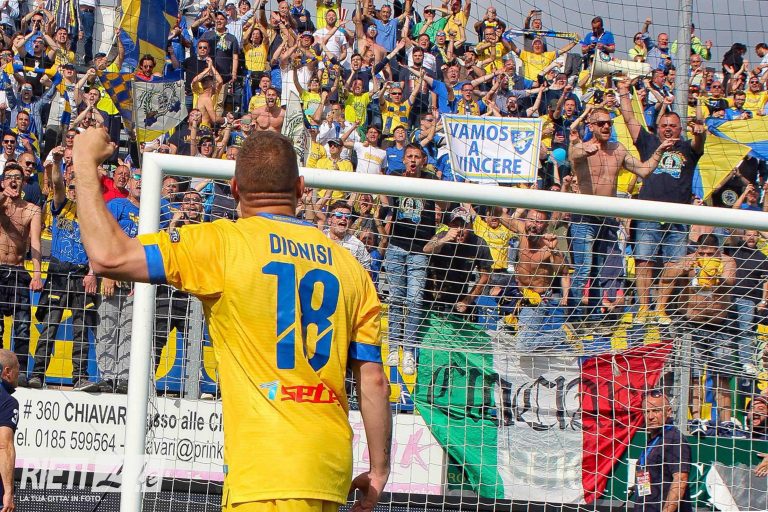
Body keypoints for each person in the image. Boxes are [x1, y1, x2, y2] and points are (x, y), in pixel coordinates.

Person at [72, 128, 392, 512]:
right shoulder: (351, 268)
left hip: (267, 470)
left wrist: (84, 161)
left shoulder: (222, 243)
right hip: (329, 466)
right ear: (301, 188)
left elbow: (108, 256)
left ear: (236, 189)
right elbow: (374, 380)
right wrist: (379, 470)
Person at [567, 108, 674, 321]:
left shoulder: (618, 150)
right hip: (584, 216)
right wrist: (584, 150)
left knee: (600, 271)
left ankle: (593, 318)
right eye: (601, 123)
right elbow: (574, 155)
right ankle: (574, 318)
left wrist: (659, 151)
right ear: (591, 126)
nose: (606, 126)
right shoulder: (582, 148)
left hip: (607, 218)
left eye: (609, 123)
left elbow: (644, 170)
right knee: (583, 269)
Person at [616, 79, 706, 325]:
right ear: (658, 127)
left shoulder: (688, 148)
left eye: (673, 126)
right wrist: (623, 91)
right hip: (649, 212)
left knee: (674, 263)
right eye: (664, 125)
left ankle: (660, 309)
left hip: (678, 215)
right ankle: (644, 308)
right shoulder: (649, 142)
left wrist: (701, 132)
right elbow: (629, 119)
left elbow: (699, 141)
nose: (668, 129)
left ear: (680, 129)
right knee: (644, 259)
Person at [30, 148, 100, 391]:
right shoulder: (61, 204)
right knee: (49, 327)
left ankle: (80, 378)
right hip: (58, 274)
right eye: (72, 187)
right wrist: (58, 163)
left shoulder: (94, 215)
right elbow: (57, 184)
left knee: (81, 329)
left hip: (82, 275)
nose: (73, 191)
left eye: (78, 187)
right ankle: (37, 374)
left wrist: (92, 273)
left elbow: (97, 247)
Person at [658, 234, 737, 433]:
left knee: (722, 374)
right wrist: (683, 269)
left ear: (718, 251)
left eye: (710, 253)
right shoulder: (689, 259)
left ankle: (726, 421)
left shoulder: (727, 261)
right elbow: (666, 275)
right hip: (690, 323)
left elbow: (730, 281)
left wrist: (715, 276)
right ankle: (695, 419)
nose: (705, 256)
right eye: (702, 253)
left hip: (719, 324)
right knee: (692, 374)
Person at [0, 165, 43, 384]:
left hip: (18, 270)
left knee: (23, 327)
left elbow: (35, 242)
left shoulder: (32, 210)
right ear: (3, 182)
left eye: (17, 177)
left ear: (23, 183)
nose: (13, 181)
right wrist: (3, 196)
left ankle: (21, 372)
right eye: (9, 177)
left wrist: (37, 273)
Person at [632, 390, 691, 512]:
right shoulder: (655, 439)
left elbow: (680, 479)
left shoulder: (674, 439)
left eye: (656, 411)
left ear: (668, 411)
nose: (650, 416)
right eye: (646, 412)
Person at [0, 349, 18, 512]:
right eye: (17, 369)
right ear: (7, 371)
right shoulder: (7, 401)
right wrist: (8, 492)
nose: (19, 375)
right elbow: (4, 446)